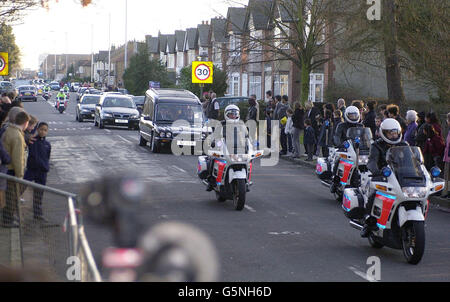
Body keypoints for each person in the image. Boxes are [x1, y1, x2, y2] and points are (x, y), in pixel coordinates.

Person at [361, 118, 409, 238]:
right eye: (390, 133)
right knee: (374, 193)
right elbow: (372, 161)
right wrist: (377, 171)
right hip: (383, 176)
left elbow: (412, 161)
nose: (393, 135)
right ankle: (368, 221)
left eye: (395, 132)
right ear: (384, 132)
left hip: (400, 176)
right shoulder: (377, 145)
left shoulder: (404, 144)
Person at [205, 105, 248, 191]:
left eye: (235, 114)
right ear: (226, 115)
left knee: (249, 160)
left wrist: (250, 143)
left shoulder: (241, 124)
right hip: (224, 147)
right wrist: (214, 142)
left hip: (238, 148)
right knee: (213, 158)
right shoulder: (221, 124)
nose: (233, 116)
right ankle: (211, 181)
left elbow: (246, 135)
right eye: (231, 114)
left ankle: (246, 181)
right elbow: (215, 135)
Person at [1, 111, 30, 227]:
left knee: (9, 196)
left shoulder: (9, 130)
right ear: (26, 123)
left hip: (6, 169)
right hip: (12, 171)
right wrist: (20, 175)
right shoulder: (17, 136)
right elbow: (17, 158)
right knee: (11, 196)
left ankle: (10, 217)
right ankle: (8, 220)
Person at [330, 106, 363, 193]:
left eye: (355, 115)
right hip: (344, 148)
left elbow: (366, 137)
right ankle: (334, 181)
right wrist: (340, 144)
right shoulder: (341, 125)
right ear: (346, 115)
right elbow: (337, 136)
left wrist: (366, 143)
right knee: (338, 159)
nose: (353, 117)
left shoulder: (360, 126)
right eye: (351, 115)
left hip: (357, 149)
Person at [24, 122, 51, 222]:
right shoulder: (32, 141)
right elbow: (25, 138)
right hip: (31, 170)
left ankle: (38, 214)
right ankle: (12, 211)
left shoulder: (47, 144)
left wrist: (46, 166)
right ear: (37, 129)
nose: (42, 132)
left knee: (39, 194)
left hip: (42, 172)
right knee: (21, 188)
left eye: (45, 130)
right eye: (41, 129)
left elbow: (47, 157)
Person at [442, 113, 450, 198]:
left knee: (448, 175)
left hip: (449, 156)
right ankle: (447, 191)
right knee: (447, 175)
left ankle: (448, 192)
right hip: (447, 156)